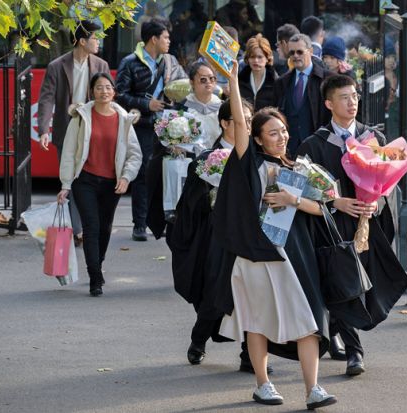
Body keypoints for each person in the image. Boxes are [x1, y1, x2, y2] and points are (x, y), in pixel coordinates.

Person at [212, 60, 336, 409]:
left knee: (309, 320)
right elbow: (239, 120)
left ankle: (313, 389)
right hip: (256, 255)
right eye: (273, 132)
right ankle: (263, 383)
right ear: (257, 139)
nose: (281, 137)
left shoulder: (299, 168)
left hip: (296, 255)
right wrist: (233, 81)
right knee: (256, 322)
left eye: (283, 131)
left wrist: (291, 199)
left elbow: (322, 208)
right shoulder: (248, 163)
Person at [296, 74, 407, 376]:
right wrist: (336, 202)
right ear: (328, 103)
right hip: (333, 225)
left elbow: (389, 183)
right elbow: (304, 187)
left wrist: (377, 202)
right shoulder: (314, 144)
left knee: (366, 283)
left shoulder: (373, 139)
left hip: (367, 222)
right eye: (345, 97)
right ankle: (354, 351)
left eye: (355, 96)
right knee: (343, 280)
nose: (352, 102)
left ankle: (335, 325)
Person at [170, 98, 270, 374]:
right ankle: (199, 338)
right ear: (226, 123)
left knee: (253, 292)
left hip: (251, 234)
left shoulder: (257, 156)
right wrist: (212, 195)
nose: (246, 125)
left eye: (250, 120)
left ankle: (249, 356)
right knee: (217, 291)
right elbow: (190, 202)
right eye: (241, 119)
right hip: (217, 236)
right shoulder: (206, 160)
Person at [57, 73, 142, 296]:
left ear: (114, 91)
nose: (103, 91)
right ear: (92, 92)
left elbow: (135, 154)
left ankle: (98, 262)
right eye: (98, 88)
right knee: (91, 227)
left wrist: (126, 177)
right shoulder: (81, 117)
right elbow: (68, 152)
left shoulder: (124, 120)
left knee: (105, 228)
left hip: (111, 184)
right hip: (84, 180)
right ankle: (95, 277)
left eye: (107, 87)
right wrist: (66, 184)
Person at [38, 20, 110, 245]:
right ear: (82, 41)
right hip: (65, 130)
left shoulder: (101, 66)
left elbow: (108, 97)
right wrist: (43, 129)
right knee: (69, 179)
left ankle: (86, 227)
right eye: (95, 38)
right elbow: (46, 98)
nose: (98, 42)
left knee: (87, 180)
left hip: (93, 131)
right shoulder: (57, 66)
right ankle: (79, 230)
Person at [115, 18, 187, 242]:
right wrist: (147, 105)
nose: (169, 41)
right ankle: (140, 224)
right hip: (142, 126)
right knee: (142, 174)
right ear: (154, 39)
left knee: (167, 173)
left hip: (168, 126)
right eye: (165, 37)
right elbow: (120, 95)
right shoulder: (130, 62)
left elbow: (183, 85)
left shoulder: (171, 61)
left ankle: (161, 221)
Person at [273, 33, 331, 155]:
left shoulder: (327, 79)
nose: (295, 56)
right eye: (292, 53)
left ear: (310, 51)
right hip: (289, 149)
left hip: (318, 149)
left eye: (299, 52)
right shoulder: (282, 82)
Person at [179, 62, 223, 148]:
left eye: (212, 78)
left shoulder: (222, 107)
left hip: (219, 156)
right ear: (192, 82)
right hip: (192, 158)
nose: (208, 82)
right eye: (203, 79)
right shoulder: (182, 107)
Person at [238, 34, 278, 111]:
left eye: (260, 57)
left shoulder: (277, 83)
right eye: (252, 57)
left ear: (267, 58)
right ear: (247, 59)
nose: (256, 61)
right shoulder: (239, 81)